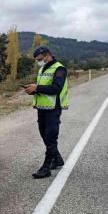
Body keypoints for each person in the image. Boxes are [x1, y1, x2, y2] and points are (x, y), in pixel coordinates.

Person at [24, 45, 69, 179]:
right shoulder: (43, 68)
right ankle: (57, 159)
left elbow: (56, 88)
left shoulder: (59, 68)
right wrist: (33, 90)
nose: (39, 61)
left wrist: (37, 87)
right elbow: (43, 89)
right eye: (37, 59)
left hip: (53, 109)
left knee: (50, 137)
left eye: (40, 58)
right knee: (44, 136)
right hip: (42, 108)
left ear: (48, 55)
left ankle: (46, 168)